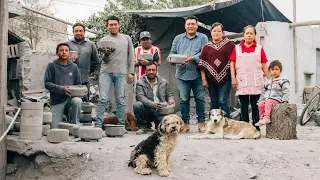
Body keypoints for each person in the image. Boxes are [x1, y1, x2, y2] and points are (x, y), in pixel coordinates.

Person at [169, 16, 208, 133]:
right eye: (188, 24)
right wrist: (173, 59)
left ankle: (202, 123)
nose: (191, 26)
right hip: (182, 74)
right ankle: (185, 124)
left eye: (193, 24)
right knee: (184, 100)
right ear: (185, 26)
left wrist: (193, 58)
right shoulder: (178, 38)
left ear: (197, 25)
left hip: (198, 73)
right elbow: (172, 53)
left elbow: (205, 53)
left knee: (200, 99)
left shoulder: (203, 37)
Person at [96, 15, 135, 127]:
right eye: (110, 25)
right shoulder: (103, 40)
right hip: (106, 72)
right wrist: (107, 54)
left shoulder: (126, 38)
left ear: (119, 25)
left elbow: (131, 56)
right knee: (103, 98)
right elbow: (103, 60)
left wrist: (131, 72)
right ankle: (98, 125)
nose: (113, 26)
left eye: (115, 24)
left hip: (121, 73)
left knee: (120, 100)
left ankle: (121, 125)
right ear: (107, 26)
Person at [230, 25, 270, 131]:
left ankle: (256, 127)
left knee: (255, 104)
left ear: (255, 35)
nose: (249, 35)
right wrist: (233, 78)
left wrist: (270, 78)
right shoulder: (237, 48)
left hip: (256, 80)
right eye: (247, 33)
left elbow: (264, 64)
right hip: (242, 80)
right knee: (243, 104)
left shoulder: (259, 48)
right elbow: (232, 64)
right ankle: (245, 126)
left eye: (251, 33)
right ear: (243, 35)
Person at [198, 22, 235, 118]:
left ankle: (227, 122)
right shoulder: (206, 47)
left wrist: (234, 77)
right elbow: (202, 64)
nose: (216, 33)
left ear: (223, 33)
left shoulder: (230, 45)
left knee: (222, 101)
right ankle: (214, 124)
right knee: (214, 101)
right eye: (214, 31)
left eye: (219, 31)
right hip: (210, 79)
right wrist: (204, 79)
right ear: (211, 32)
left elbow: (233, 61)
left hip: (226, 77)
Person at [44, 43, 84, 128]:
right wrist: (62, 89)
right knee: (55, 128)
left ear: (69, 53)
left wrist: (82, 90)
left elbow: (78, 84)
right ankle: (64, 118)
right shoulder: (51, 66)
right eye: (61, 50)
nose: (64, 52)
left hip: (70, 98)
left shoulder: (74, 67)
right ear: (57, 53)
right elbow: (47, 83)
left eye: (66, 50)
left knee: (77, 101)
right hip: (57, 101)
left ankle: (75, 124)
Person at [134, 61, 175, 133]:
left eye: (153, 70)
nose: (151, 72)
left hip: (161, 110)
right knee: (137, 105)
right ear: (145, 71)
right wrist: (153, 105)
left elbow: (169, 94)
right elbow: (140, 97)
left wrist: (171, 100)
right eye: (149, 70)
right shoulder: (140, 82)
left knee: (162, 129)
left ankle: (158, 124)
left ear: (156, 70)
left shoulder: (163, 82)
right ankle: (143, 126)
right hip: (148, 110)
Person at [65, 23, 99, 102]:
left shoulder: (91, 45)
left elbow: (96, 61)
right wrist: (68, 59)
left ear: (84, 32)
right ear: (73, 32)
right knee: (69, 103)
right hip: (69, 80)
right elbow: (60, 61)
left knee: (85, 104)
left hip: (84, 80)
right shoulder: (66, 44)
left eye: (81, 31)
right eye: (76, 31)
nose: (78, 33)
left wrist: (88, 71)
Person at [255, 60, 290, 126]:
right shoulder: (269, 81)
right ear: (270, 71)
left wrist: (285, 100)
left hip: (278, 99)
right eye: (272, 70)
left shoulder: (283, 80)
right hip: (268, 99)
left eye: (277, 69)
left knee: (268, 102)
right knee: (261, 104)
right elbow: (264, 92)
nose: (274, 71)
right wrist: (260, 100)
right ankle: (262, 118)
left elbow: (286, 91)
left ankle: (267, 118)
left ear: (280, 70)